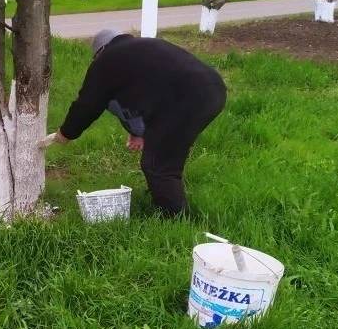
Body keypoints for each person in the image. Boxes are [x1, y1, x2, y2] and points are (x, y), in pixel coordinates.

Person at [43, 28, 227, 217]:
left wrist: (66, 133)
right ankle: (164, 194)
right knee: (165, 151)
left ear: (100, 51)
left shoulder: (106, 61)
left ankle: (176, 220)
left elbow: (88, 103)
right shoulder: (142, 47)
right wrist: (138, 132)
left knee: (158, 165)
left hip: (186, 98)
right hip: (214, 90)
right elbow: (136, 100)